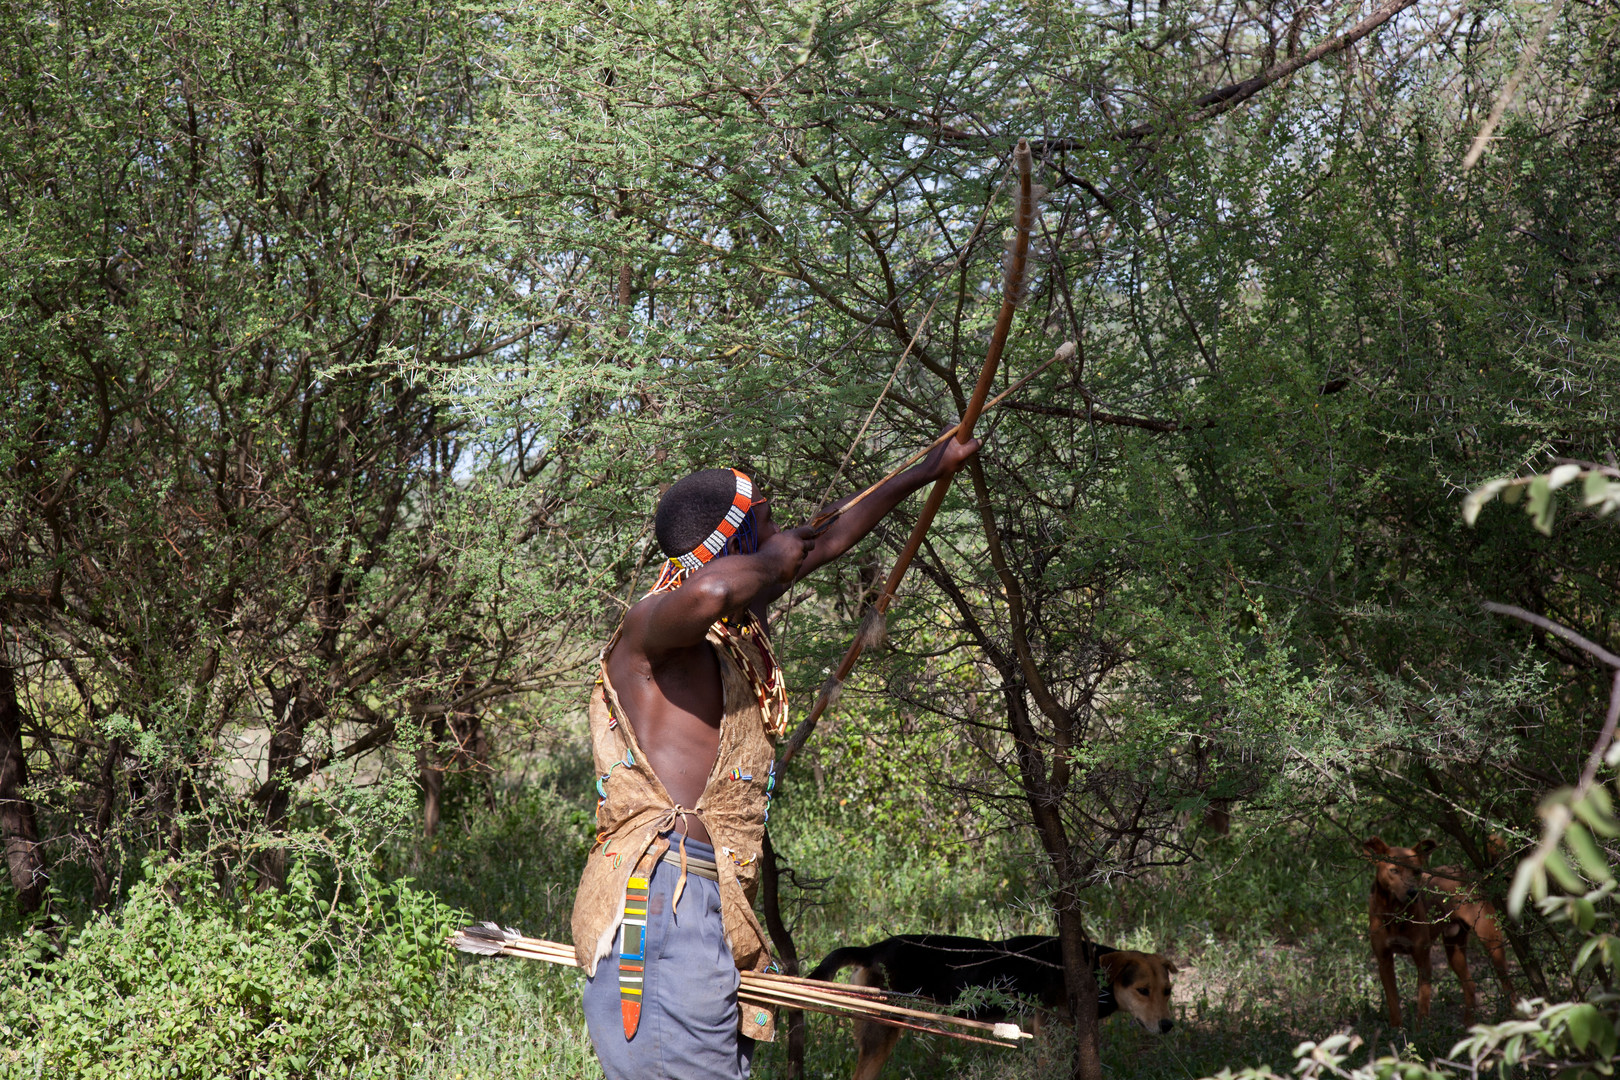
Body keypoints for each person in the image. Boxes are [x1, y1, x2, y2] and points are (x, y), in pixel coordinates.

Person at [570, 431, 981, 1080]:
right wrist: (774, 561)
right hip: (660, 902)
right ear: (734, 537)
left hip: (707, 905)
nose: (777, 526)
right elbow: (713, 590)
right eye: (762, 517)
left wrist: (934, 466)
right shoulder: (651, 627)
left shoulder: (728, 621)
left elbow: (827, 538)